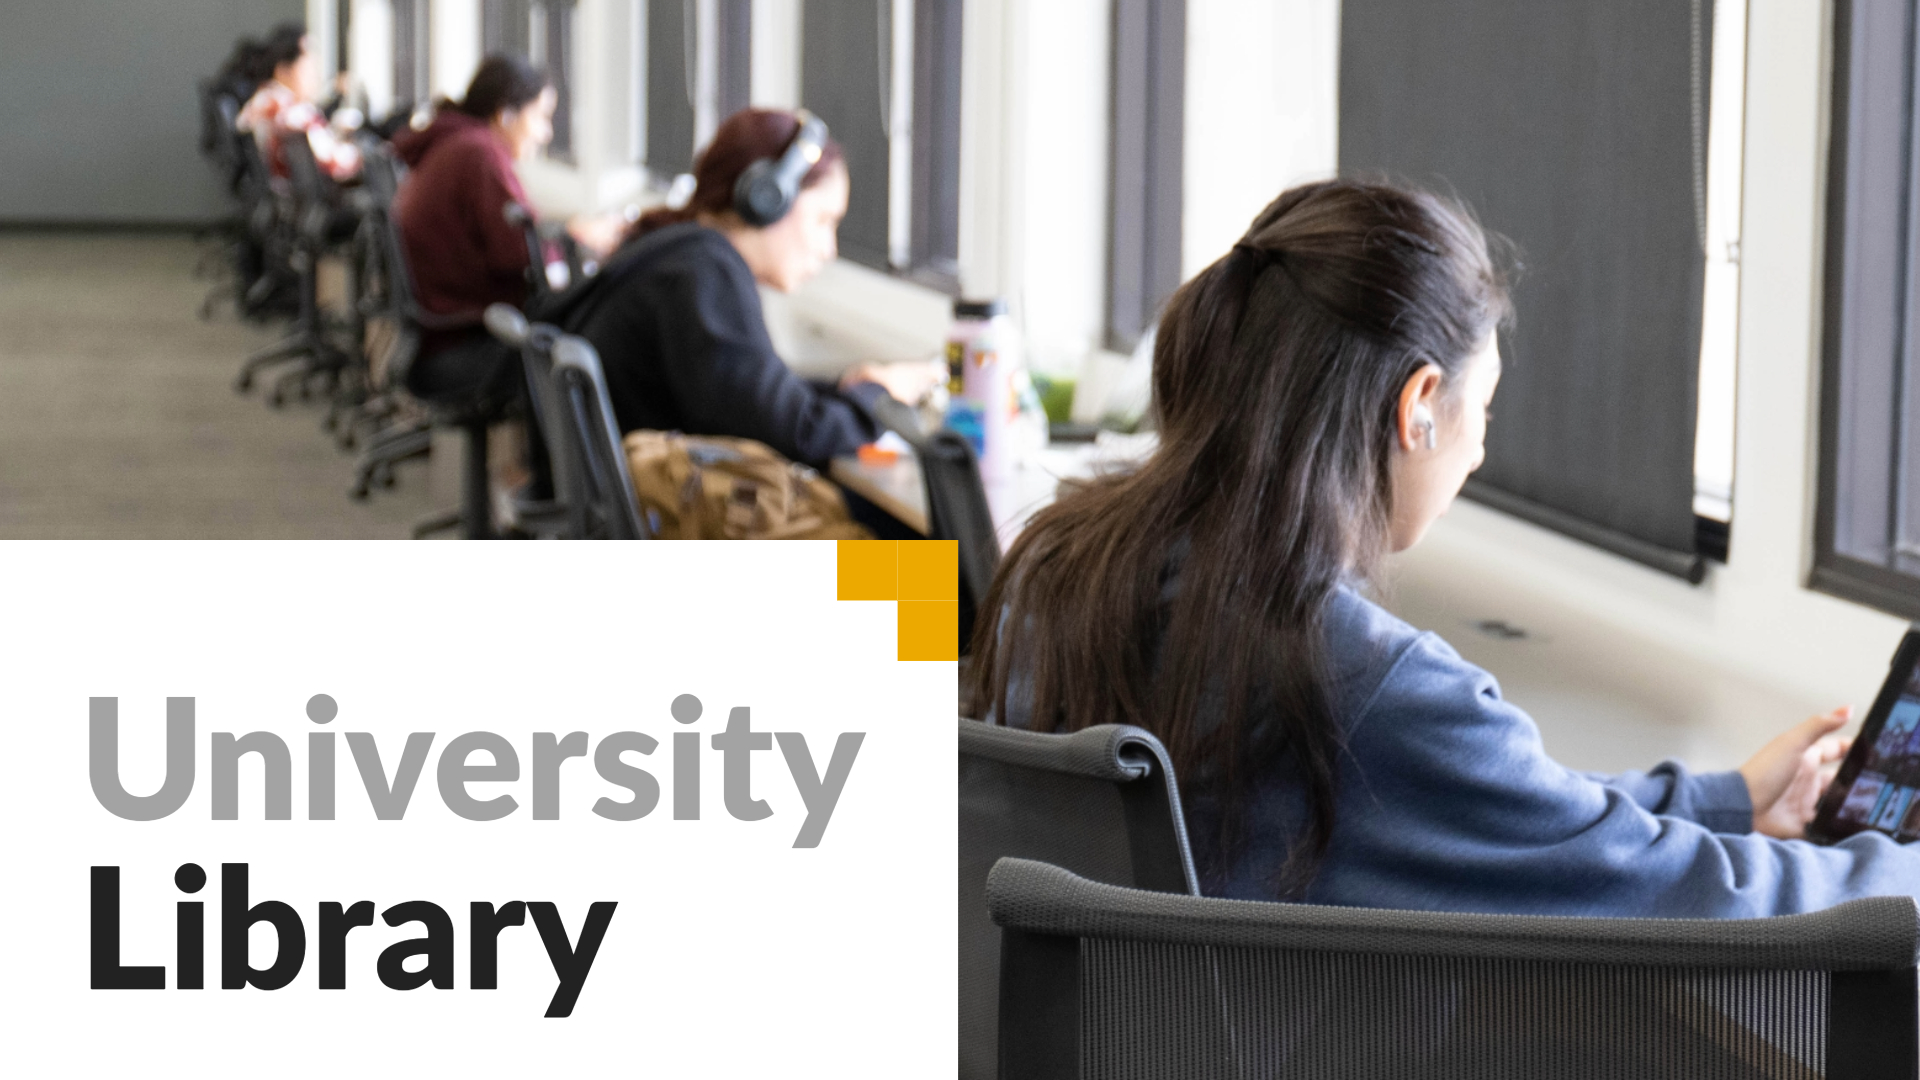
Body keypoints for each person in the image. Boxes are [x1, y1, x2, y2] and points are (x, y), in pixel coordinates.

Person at [968, 177, 1912, 919]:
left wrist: (1727, 798)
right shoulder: (1351, 674)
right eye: (1482, 410)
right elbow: (1684, 892)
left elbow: (1484, 794)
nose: (1483, 449)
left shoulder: (1061, 567)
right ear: (1419, 406)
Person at [556, 108, 942, 472]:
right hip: (678, 537)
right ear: (767, 198)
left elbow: (752, 401)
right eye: (824, 220)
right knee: (935, 547)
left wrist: (845, 392)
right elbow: (797, 436)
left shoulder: (677, 253)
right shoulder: (704, 274)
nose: (830, 249)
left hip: (647, 525)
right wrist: (880, 394)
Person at [391, 54, 558, 404]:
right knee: (589, 344)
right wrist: (571, 244)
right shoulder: (479, 154)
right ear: (506, 113)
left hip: (437, 336)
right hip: (457, 345)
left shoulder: (455, 142)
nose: (547, 133)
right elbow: (521, 255)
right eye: (541, 116)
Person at [235, 23, 361, 183]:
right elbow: (335, 163)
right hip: (302, 198)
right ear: (283, 70)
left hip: (285, 197)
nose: (315, 74)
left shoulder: (261, 101)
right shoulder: (293, 113)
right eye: (309, 65)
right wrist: (365, 154)